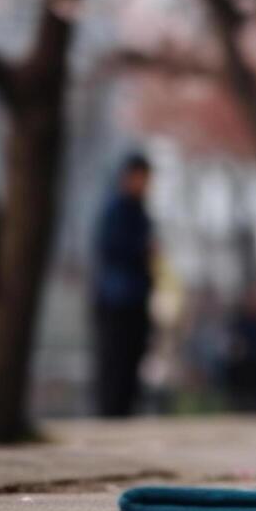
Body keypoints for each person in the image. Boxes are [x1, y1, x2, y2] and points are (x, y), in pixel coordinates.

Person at [91, 154, 155, 417]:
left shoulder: (140, 210)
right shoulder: (116, 209)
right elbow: (110, 248)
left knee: (132, 357)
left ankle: (124, 410)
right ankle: (110, 411)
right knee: (114, 358)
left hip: (136, 295)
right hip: (116, 297)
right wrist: (142, 251)